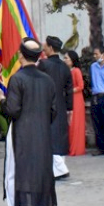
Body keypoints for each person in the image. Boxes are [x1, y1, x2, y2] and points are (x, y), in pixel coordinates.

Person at [0, 37, 58, 206]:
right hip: (43, 134)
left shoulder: (17, 79)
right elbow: (53, 111)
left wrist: (0, 97)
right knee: (42, 175)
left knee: (15, 175)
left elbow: (12, 110)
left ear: (21, 55)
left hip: (20, 133)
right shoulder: (47, 80)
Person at [38, 35, 73, 180]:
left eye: (45, 46)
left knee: (50, 135)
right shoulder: (65, 66)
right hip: (62, 103)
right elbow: (69, 89)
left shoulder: (43, 65)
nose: (43, 48)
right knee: (59, 135)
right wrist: (70, 108)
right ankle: (56, 168)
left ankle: (60, 169)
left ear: (51, 48)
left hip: (46, 104)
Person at [64, 50, 86, 156]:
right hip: (70, 98)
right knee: (70, 124)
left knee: (75, 123)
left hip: (76, 99)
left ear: (72, 60)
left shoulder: (76, 71)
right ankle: (71, 147)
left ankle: (76, 148)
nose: (65, 60)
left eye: (66, 58)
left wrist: (69, 90)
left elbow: (81, 86)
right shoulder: (67, 71)